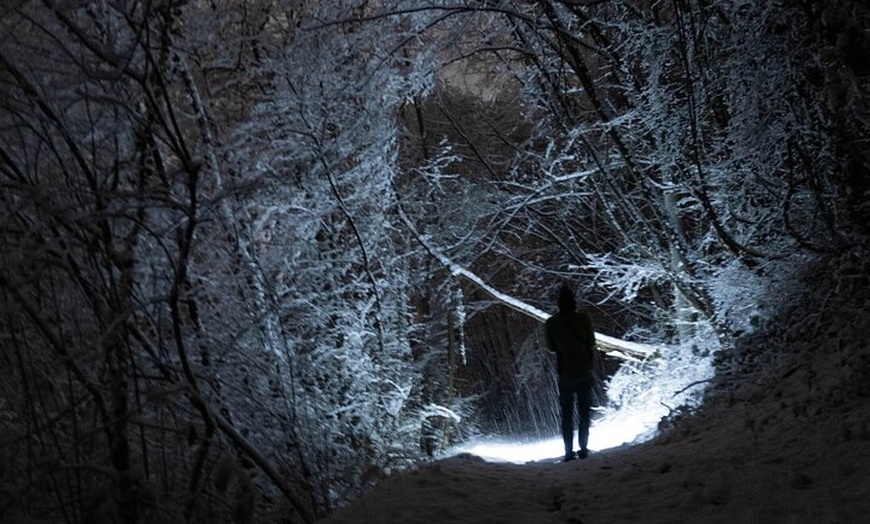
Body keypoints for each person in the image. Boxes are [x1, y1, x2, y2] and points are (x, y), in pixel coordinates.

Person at [545, 284, 596, 462]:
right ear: (574, 302)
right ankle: (583, 448)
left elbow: (551, 348)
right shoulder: (583, 319)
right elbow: (591, 343)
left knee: (566, 413)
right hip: (584, 369)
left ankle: (568, 451)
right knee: (584, 412)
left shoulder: (551, 323)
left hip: (565, 372)